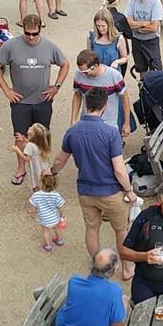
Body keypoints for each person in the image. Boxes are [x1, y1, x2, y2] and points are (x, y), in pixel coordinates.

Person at [51, 87, 137, 277]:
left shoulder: (73, 132)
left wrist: (52, 172)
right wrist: (129, 190)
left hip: (86, 191)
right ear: (105, 106)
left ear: (86, 104)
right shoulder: (110, 132)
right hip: (111, 192)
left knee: (91, 228)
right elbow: (119, 169)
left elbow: (60, 161)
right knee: (122, 230)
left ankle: (99, 268)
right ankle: (128, 269)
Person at [0, 14, 68, 186]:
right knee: (20, 136)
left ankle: (44, 167)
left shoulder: (49, 46)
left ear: (41, 28)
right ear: (23, 29)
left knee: (42, 136)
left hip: (42, 100)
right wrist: (6, 89)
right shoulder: (11, 45)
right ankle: (21, 168)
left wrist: (56, 86)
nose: (31, 37)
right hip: (20, 102)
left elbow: (65, 64)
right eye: (28, 33)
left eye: (35, 33)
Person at [56, 249, 128, 326]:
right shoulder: (114, 291)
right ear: (113, 271)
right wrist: (125, 304)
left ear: (92, 265)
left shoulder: (74, 281)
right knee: (124, 300)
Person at [70, 49, 131, 138]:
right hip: (86, 124)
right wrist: (73, 120)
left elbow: (125, 98)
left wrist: (126, 123)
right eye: (82, 72)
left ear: (95, 65)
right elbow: (77, 95)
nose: (84, 75)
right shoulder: (79, 75)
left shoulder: (114, 75)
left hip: (109, 125)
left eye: (86, 72)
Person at [125, 0, 163, 75]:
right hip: (136, 41)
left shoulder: (155, 3)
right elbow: (128, 23)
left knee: (156, 71)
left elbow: (154, 28)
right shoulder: (131, 2)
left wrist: (135, 26)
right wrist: (144, 24)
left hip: (151, 41)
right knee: (141, 69)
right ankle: (143, 89)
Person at [27, 171, 66, 252]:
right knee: (57, 229)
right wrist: (62, 215)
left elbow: (33, 208)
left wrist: (32, 214)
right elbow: (61, 207)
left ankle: (48, 246)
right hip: (55, 217)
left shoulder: (36, 195)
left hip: (44, 219)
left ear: (41, 183)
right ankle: (59, 240)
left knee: (45, 232)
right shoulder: (56, 195)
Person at [9, 122, 52, 191]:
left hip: (36, 167)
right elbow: (31, 143)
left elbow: (27, 159)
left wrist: (17, 150)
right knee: (42, 181)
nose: (29, 127)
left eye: (31, 128)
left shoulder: (30, 146)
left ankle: (37, 192)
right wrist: (24, 140)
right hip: (43, 167)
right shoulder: (40, 144)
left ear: (34, 135)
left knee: (36, 180)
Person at [88, 8, 129, 77]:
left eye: (103, 26)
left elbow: (125, 58)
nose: (100, 29)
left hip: (113, 75)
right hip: (97, 75)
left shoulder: (118, 38)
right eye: (98, 26)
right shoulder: (92, 37)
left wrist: (116, 62)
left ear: (109, 24)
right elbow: (88, 56)